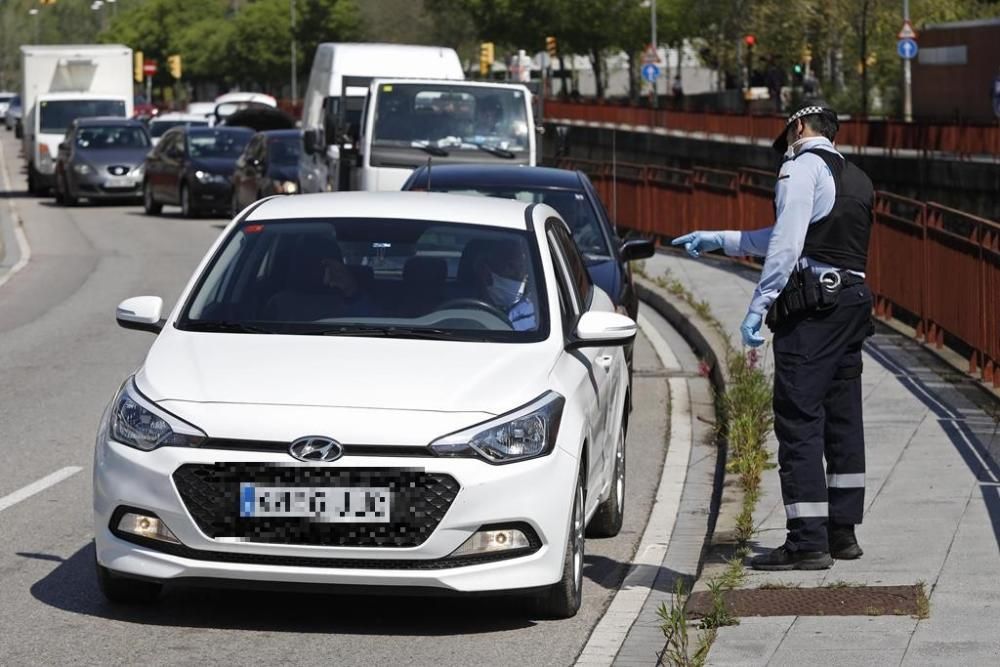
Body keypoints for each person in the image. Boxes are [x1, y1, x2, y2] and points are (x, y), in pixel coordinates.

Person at [672, 105, 875, 571]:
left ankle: (807, 542)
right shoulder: (858, 178)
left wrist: (758, 305)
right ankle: (841, 532)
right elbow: (802, 235)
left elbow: (786, 245)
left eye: (786, 133)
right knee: (843, 417)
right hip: (852, 301)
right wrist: (721, 238)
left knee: (799, 416)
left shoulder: (799, 168)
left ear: (799, 127)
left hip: (814, 311)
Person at [475, 240, 536, 331]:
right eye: (510, 267)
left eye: (522, 268)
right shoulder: (461, 312)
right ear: (486, 272)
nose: (518, 275)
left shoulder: (536, 316)